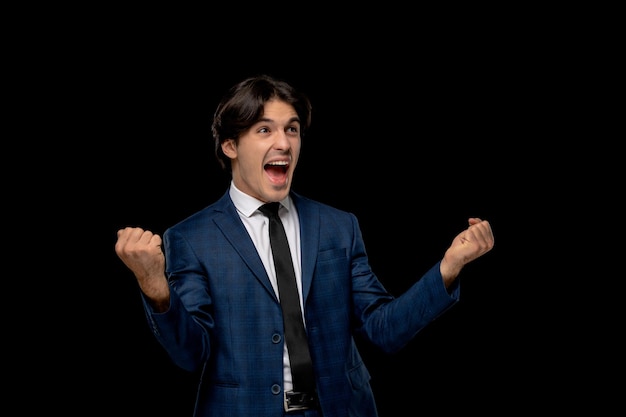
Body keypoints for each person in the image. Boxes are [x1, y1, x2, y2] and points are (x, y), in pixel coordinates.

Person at [115, 74, 494, 417]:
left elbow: (382, 330)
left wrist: (448, 267)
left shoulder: (338, 226)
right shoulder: (190, 238)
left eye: (292, 129)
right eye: (264, 130)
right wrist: (155, 287)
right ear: (230, 145)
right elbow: (190, 354)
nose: (284, 143)